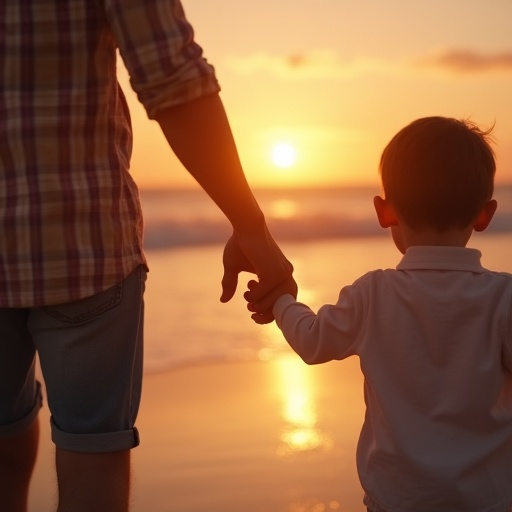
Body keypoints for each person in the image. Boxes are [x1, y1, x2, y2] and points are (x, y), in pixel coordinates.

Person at [0, 1, 292, 511]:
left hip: (80, 251)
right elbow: (174, 81)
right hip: (83, 246)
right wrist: (250, 226)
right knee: (93, 453)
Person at [247, 117, 512, 511]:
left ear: (384, 211)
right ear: (485, 215)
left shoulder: (372, 293)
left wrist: (282, 300)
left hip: (396, 500)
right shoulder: (502, 297)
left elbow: (312, 340)